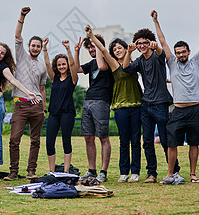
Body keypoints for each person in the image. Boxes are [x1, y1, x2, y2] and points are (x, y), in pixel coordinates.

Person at [152, 9, 199, 184]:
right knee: (172, 143)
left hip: (196, 109)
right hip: (179, 110)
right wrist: (156, 21)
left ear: (189, 51)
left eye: (183, 52)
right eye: (178, 52)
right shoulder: (172, 63)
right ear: (175, 54)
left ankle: (192, 174)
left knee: (194, 143)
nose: (181, 55)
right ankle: (170, 174)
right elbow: (162, 41)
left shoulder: (196, 61)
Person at [85, 25, 142, 183]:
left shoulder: (134, 63)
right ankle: (124, 172)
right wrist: (91, 35)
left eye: (120, 47)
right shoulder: (113, 65)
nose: (117, 50)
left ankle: (135, 172)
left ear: (125, 48)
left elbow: (131, 67)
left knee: (136, 140)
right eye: (115, 48)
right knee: (124, 140)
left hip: (136, 105)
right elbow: (103, 50)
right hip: (120, 107)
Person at [123, 26, 179, 183]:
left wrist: (157, 46)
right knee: (147, 142)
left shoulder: (157, 56)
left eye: (144, 43)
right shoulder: (140, 60)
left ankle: (174, 171)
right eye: (139, 43)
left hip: (161, 104)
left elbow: (162, 53)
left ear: (150, 42)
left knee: (165, 140)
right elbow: (126, 68)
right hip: (146, 105)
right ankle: (151, 174)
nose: (142, 45)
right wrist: (129, 51)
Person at [0, 42, 38, 181]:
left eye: (2, 53)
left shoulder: (3, 67)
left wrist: (28, 93)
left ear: (4, 57)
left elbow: (13, 80)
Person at [4, 7, 47, 181]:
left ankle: (31, 170)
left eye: (38, 46)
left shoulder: (43, 66)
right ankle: (13, 171)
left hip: (36, 106)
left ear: (41, 48)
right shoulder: (21, 56)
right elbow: (17, 36)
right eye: (33, 45)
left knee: (35, 140)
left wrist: (44, 109)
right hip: (20, 104)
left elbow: (42, 89)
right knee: (14, 138)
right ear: (29, 46)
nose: (35, 48)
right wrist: (22, 17)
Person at [74, 32, 114, 183]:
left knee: (103, 137)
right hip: (88, 100)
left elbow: (102, 66)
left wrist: (98, 44)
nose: (91, 50)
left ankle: (103, 171)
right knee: (88, 137)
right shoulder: (91, 64)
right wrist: (77, 50)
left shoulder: (109, 60)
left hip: (102, 101)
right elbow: (77, 68)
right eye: (89, 48)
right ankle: (92, 170)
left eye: (93, 47)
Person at [42, 38, 78, 173]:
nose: (62, 67)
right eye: (59, 65)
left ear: (67, 65)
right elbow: (46, 63)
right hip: (54, 114)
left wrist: (68, 49)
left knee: (66, 141)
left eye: (64, 64)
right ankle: (51, 171)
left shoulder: (73, 79)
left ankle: (66, 171)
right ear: (56, 66)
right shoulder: (54, 78)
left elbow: (74, 65)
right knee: (49, 142)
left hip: (67, 113)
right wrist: (45, 48)